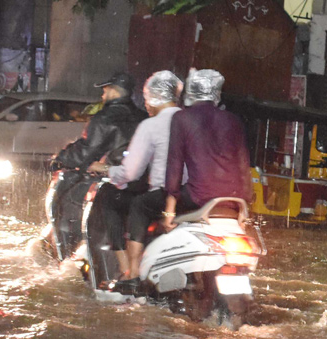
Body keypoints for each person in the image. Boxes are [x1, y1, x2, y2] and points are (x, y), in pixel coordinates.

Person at [51, 73, 146, 284]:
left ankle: (70, 260)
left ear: (113, 90)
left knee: (69, 207)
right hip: (141, 185)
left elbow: (87, 149)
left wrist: (62, 158)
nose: (102, 93)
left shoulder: (105, 117)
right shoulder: (143, 117)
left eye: (105, 89)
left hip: (110, 181)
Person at [106, 71, 184, 290]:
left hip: (165, 196)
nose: (146, 104)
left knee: (135, 205)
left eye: (147, 97)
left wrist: (111, 172)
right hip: (196, 195)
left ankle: (132, 273)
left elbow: (130, 173)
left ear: (155, 97)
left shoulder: (151, 125)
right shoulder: (191, 120)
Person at [162, 69, 253, 231]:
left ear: (191, 92)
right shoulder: (233, 120)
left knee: (143, 205)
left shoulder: (182, 118)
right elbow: (243, 165)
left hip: (199, 197)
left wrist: (169, 211)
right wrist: (244, 207)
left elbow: (175, 165)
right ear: (217, 93)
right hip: (234, 200)